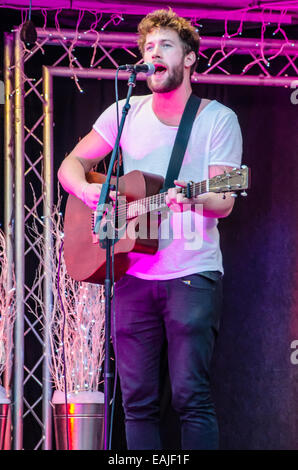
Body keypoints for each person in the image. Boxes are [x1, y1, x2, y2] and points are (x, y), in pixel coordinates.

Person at [58, 8, 243, 450]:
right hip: (132, 272)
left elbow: (225, 199)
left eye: (164, 45)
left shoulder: (216, 119)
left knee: (189, 396)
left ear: (190, 59)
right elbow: (71, 166)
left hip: (191, 274)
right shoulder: (125, 110)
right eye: (147, 47)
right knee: (136, 402)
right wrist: (92, 195)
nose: (152, 53)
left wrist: (194, 196)